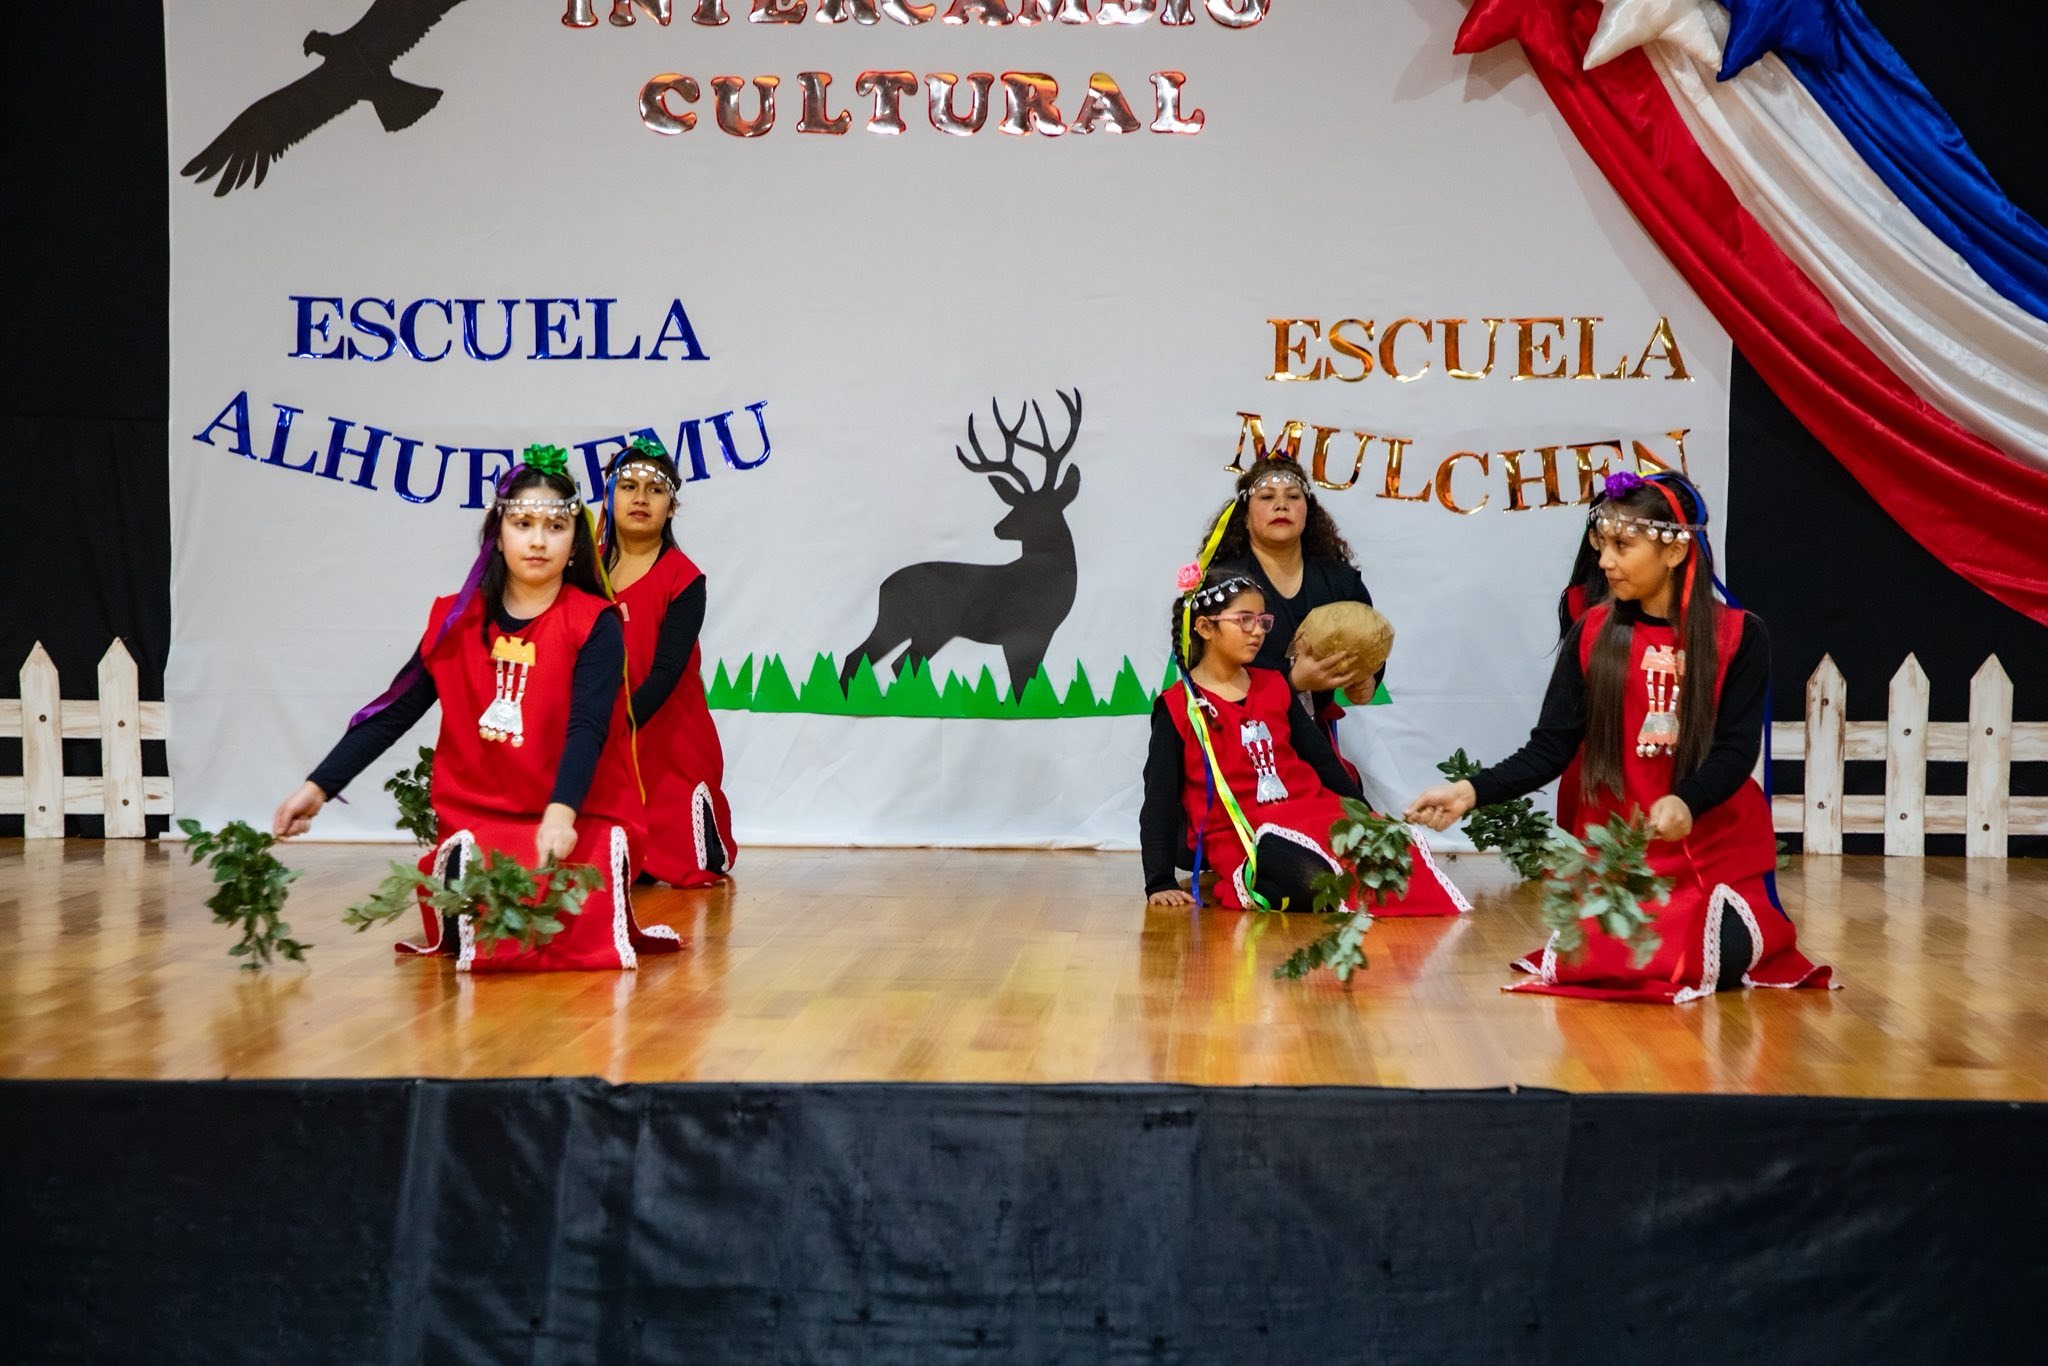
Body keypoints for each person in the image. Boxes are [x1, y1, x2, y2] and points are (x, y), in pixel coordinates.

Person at [1405, 471, 1830, 1003]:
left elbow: (1735, 750)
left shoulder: (1740, 636)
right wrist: (1469, 792)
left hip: (1709, 848)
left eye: (1622, 546)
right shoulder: (1592, 634)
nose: (1605, 561)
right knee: (1623, 961)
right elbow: (1549, 748)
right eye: (1601, 544)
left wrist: (1686, 800)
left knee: (1707, 958)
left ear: (1674, 550)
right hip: (1620, 855)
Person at [270, 447, 681, 972]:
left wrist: (561, 814)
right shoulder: (455, 621)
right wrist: (318, 787)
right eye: (523, 524)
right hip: (482, 816)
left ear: (575, 542)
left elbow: (588, 727)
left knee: (571, 915)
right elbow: (395, 712)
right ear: (498, 535)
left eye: (556, 526)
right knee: (487, 907)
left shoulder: (595, 622)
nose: (538, 540)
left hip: (581, 814)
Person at [1140, 568, 1467, 916]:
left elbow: (1321, 760)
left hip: (1308, 809)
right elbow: (1159, 798)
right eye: (1244, 620)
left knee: (1391, 855)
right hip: (1245, 831)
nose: (1257, 631)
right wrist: (1159, 881)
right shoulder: (1179, 707)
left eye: (1262, 621)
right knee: (1311, 877)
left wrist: (1366, 817)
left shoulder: (1274, 684)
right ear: (1205, 627)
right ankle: (1254, 883)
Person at [601, 440, 735, 887]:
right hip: (600, 736)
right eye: (628, 486)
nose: (640, 498)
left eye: (654, 490)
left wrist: (613, 729)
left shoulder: (684, 578)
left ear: (671, 506)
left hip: (667, 739)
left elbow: (665, 673)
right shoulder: (583, 573)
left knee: (688, 864)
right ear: (609, 497)